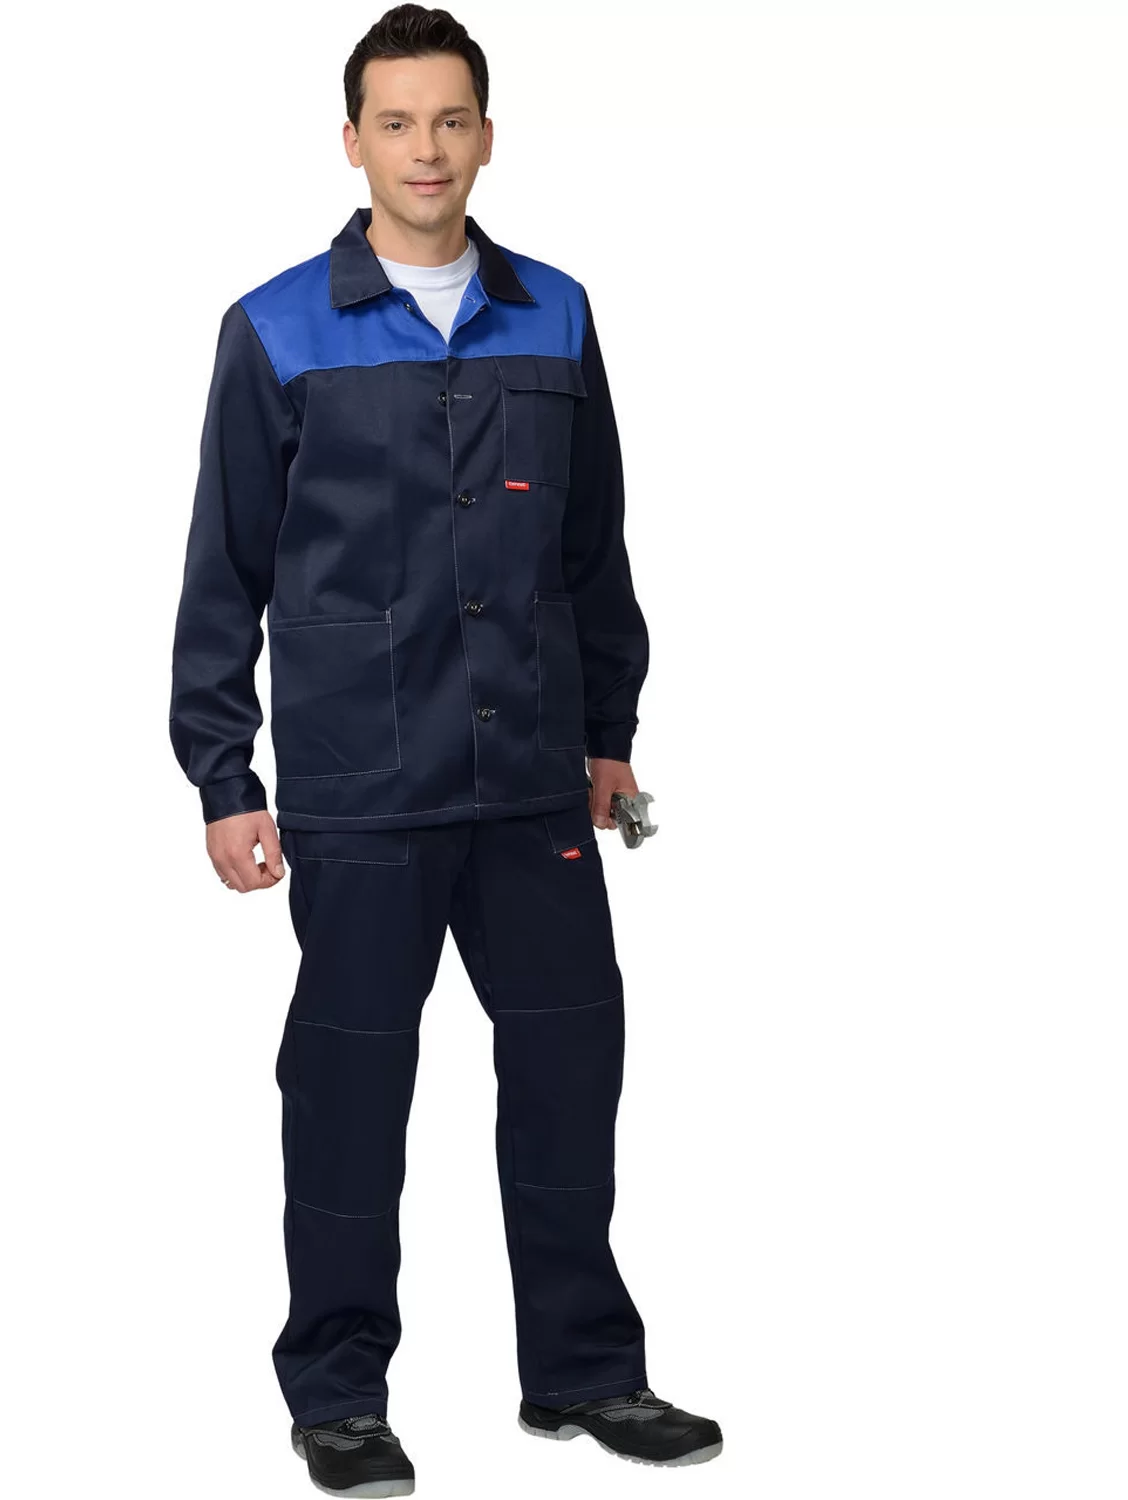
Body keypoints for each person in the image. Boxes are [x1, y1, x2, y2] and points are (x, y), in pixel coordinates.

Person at [168, 6, 723, 1493]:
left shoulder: (558, 313)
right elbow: (224, 569)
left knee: (571, 1071)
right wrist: (223, 774)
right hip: (360, 789)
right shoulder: (276, 328)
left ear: (487, 136)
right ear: (352, 143)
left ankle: (586, 1374)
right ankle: (339, 1394)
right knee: (348, 1095)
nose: (428, 149)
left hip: (532, 778)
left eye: (452, 120)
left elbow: (594, 550)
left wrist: (610, 736)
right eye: (398, 122)